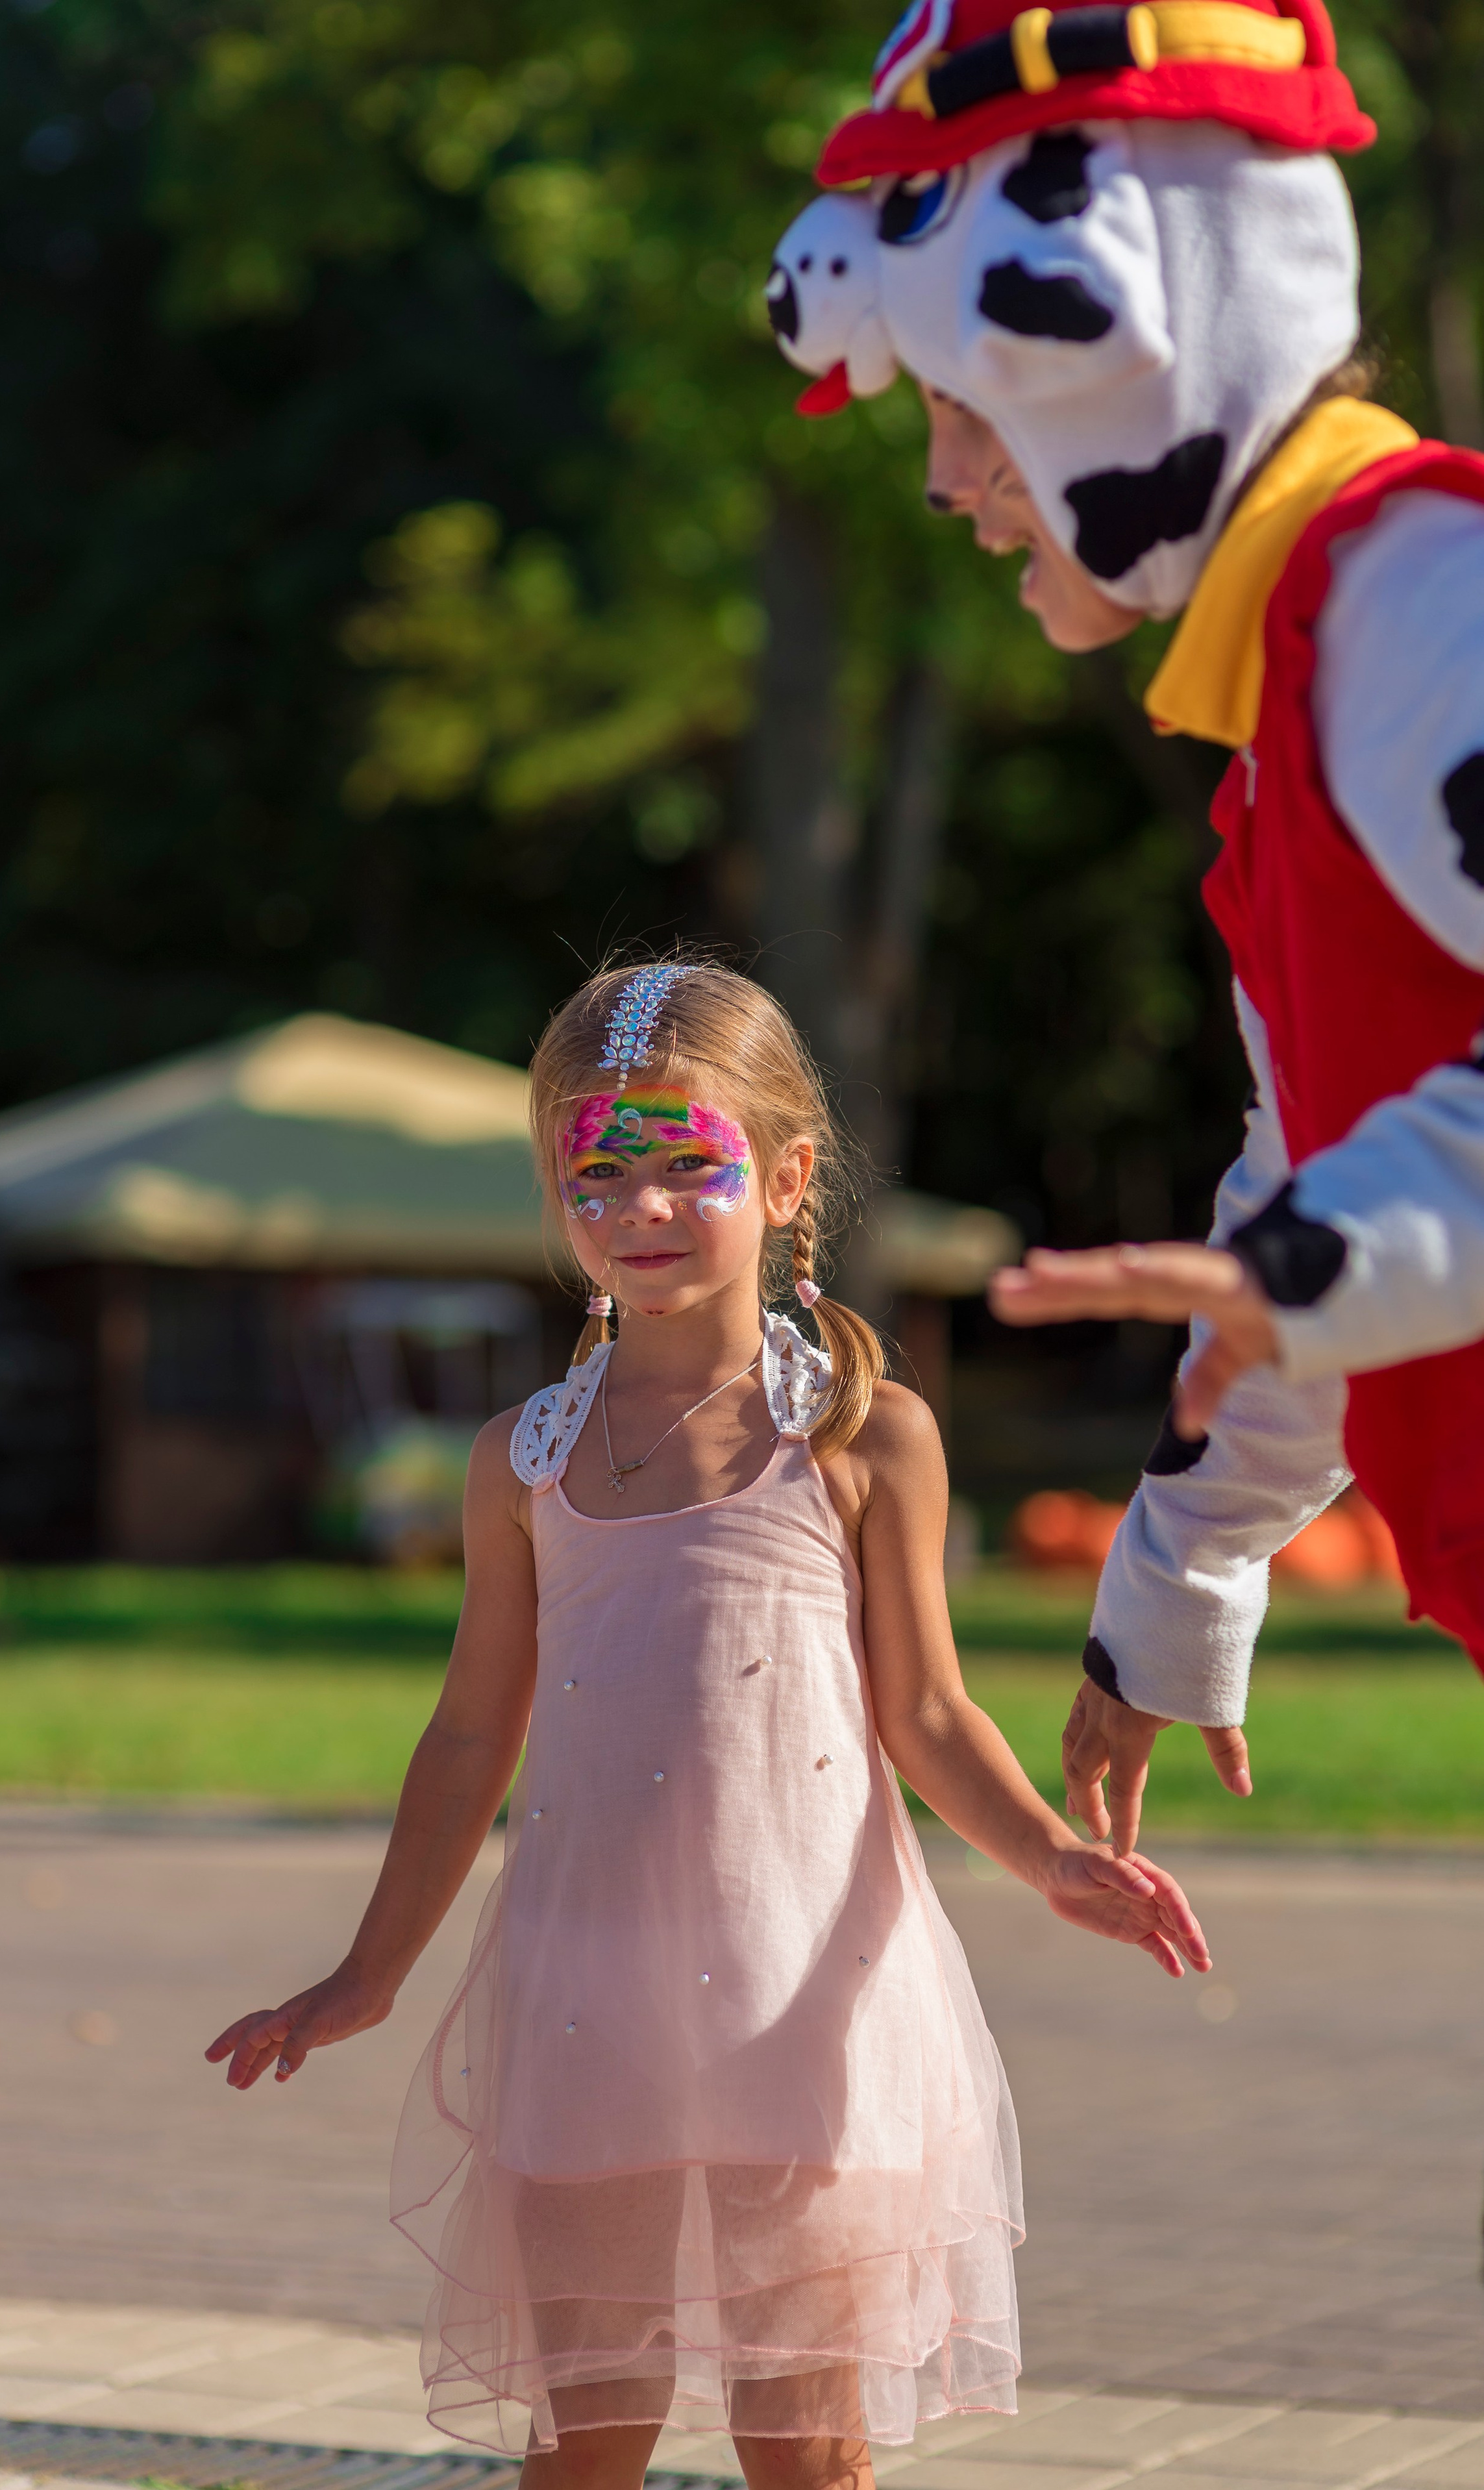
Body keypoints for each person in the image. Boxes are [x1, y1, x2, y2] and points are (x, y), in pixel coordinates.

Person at [207, 960, 1209, 2490]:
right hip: (578, 1998)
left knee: (802, 2450)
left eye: (690, 1162)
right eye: (596, 1168)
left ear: (788, 1176)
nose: (643, 1203)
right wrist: (367, 1971)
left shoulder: (861, 1438)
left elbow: (929, 1714)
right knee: (583, 2438)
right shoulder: (521, 1462)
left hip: (801, 2004)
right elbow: (469, 1737)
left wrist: (1053, 1857)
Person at [765, 0, 1484, 1856]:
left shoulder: (1417, 597)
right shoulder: (1297, 713)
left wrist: (1324, 1262)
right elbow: (1305, 1206)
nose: (945, 484)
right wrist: (1178, 1576)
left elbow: (1342, 1230)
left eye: (962, 406)